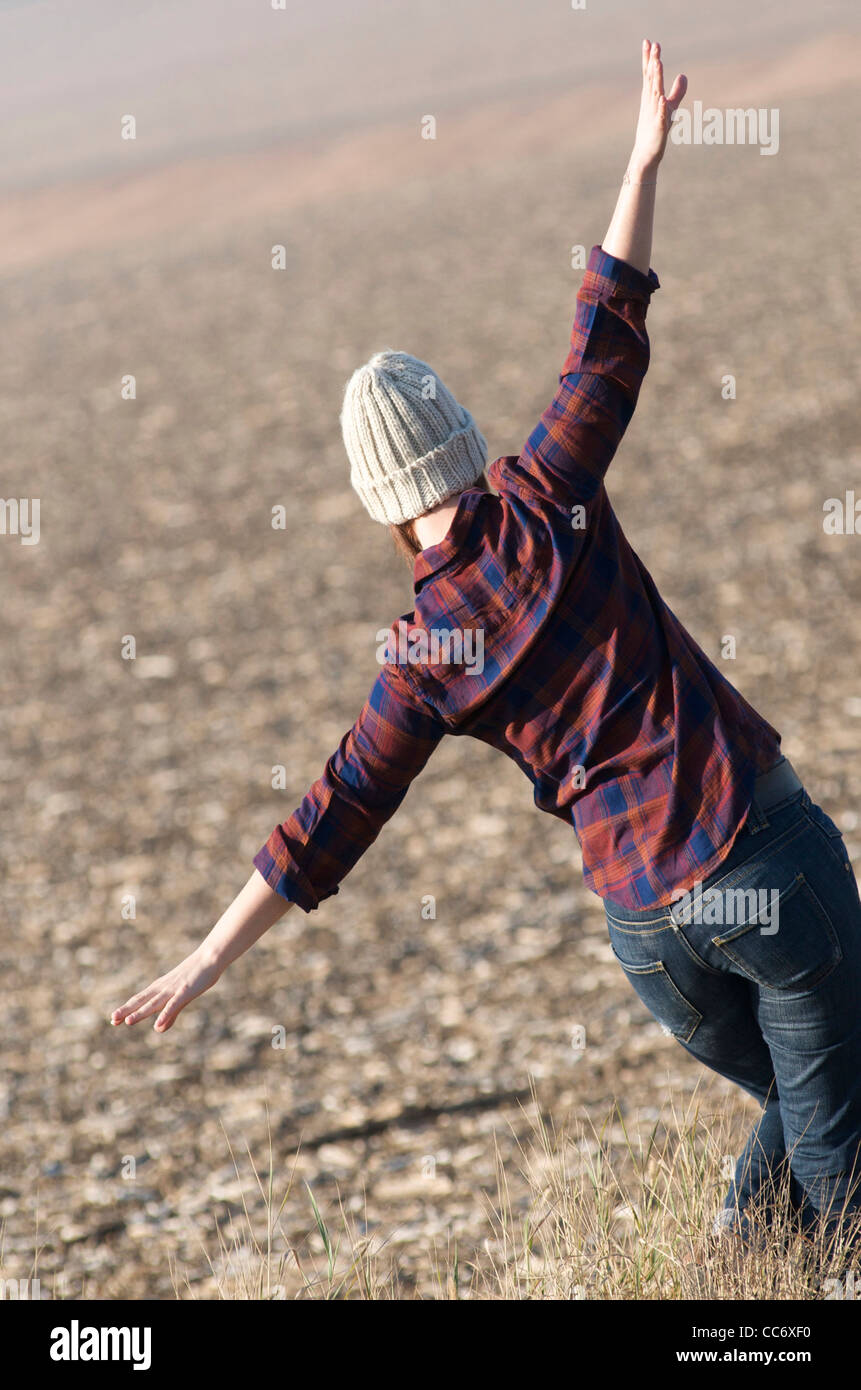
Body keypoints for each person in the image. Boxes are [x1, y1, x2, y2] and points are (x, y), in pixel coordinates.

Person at [111, 42, 861, 1251]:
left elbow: (336, 808)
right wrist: (643, 153)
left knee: (809, 1091)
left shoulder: (424, 653)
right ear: (457, 435)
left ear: (376, 501)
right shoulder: (548, 491)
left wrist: (204, 958)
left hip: (649, 934)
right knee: (840, 1125)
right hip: (754, 846)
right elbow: (608, 324)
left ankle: (734, 1265)